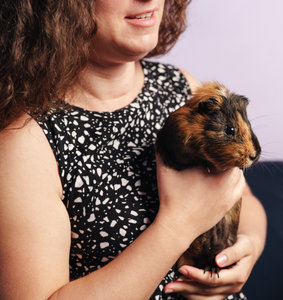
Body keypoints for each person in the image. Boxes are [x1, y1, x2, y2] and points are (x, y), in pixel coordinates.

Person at [0, 0, 267, 299]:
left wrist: (248, 247)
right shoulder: (24, 144)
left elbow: (243, 198)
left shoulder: (181, 87)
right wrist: (176, 226)